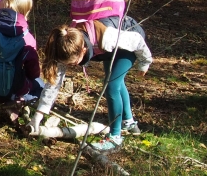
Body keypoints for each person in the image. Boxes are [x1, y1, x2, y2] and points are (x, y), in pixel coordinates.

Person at [32, 17, 152, 152]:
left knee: (111, 85)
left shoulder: (107, 37)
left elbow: (136, 40)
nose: (72, 66)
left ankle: (115, 137)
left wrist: (145, 62)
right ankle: (129, 123)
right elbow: (54, 84)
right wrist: (39, 114)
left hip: (129, 43)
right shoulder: (66, 46)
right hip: (109, 50)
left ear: (83, 51)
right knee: (115, 82)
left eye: (73, 63)